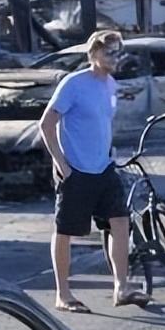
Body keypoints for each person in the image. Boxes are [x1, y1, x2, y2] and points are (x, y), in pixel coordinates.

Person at [40, 30, 149, 313]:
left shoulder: (110, 85)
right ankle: (63, 294)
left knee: (120, 222)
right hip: (76, 169)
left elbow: (102, 123)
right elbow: (46, 124)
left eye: (117, 52)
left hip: (103, 166)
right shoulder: (74, 84)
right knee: (66, 230)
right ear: (93, 54)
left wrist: (110, 150)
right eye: (108, 52)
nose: (114, 57)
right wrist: (61, 163)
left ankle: (121, 287)